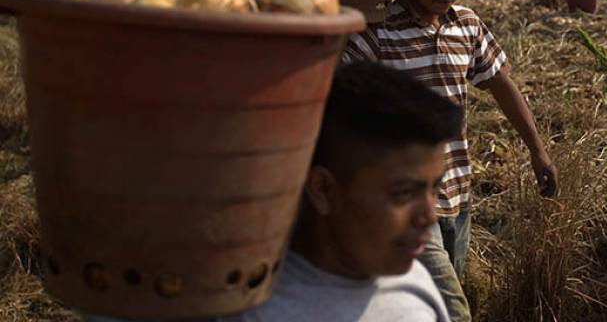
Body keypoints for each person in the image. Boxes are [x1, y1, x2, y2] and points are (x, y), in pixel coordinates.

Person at [86, 62, 460, 322]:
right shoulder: (236, 305)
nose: (429, 215)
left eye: (434, 188)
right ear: (324, 190)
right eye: (403, 193)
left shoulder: (414, 288)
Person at [342, 0, 558, 322]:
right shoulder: (379, 32)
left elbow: (500, 83)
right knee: (454, 312)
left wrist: (538, 150)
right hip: (405, 201)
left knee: (433, 307)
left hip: (458, 190)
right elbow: (335, 88)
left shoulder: (467, 24)